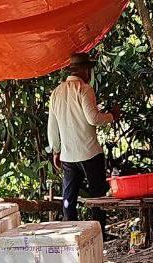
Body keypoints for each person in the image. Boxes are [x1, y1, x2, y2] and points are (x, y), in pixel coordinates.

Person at [47, 52, 116, 231]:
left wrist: (56, 151)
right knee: (97, 196)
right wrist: (111, 116)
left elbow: (52, 127)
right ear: (85, 70)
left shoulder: (56, 93)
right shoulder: (84, 89)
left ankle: (70, 231)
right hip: (90, 152)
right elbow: (93, 118)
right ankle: (98, 233)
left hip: (68, 155)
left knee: (69, 197)